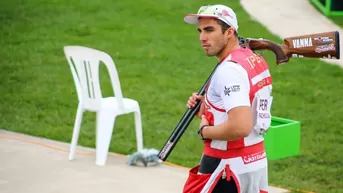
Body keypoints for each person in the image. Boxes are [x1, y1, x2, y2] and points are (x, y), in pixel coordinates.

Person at [182, 4, 273, 193]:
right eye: (200, 31)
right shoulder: (254, 58)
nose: (202, 38)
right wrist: (208, 106)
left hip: (226, 167)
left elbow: (240, 127)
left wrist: (204, 131)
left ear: (229, 32)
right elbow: (247, 105)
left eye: (209, 30)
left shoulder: (229, 70)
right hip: (254, 163)